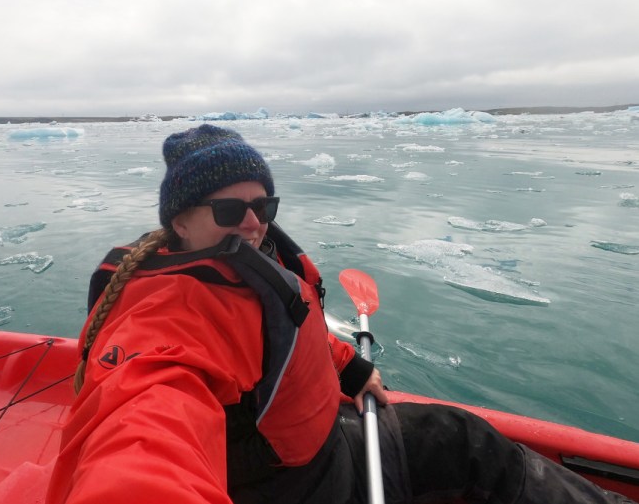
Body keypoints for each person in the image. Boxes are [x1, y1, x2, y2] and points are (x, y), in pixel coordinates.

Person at [46, 124, 634, 504]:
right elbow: (144, 428)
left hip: (317, 449)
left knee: (463, 436)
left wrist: (349, 369)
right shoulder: (170, 312)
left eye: (263, 205)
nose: (253, 222)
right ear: (180, 220)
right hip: (301, 486)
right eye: (230, 208)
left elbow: (286, 332)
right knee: (467, 447)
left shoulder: (242, 268)